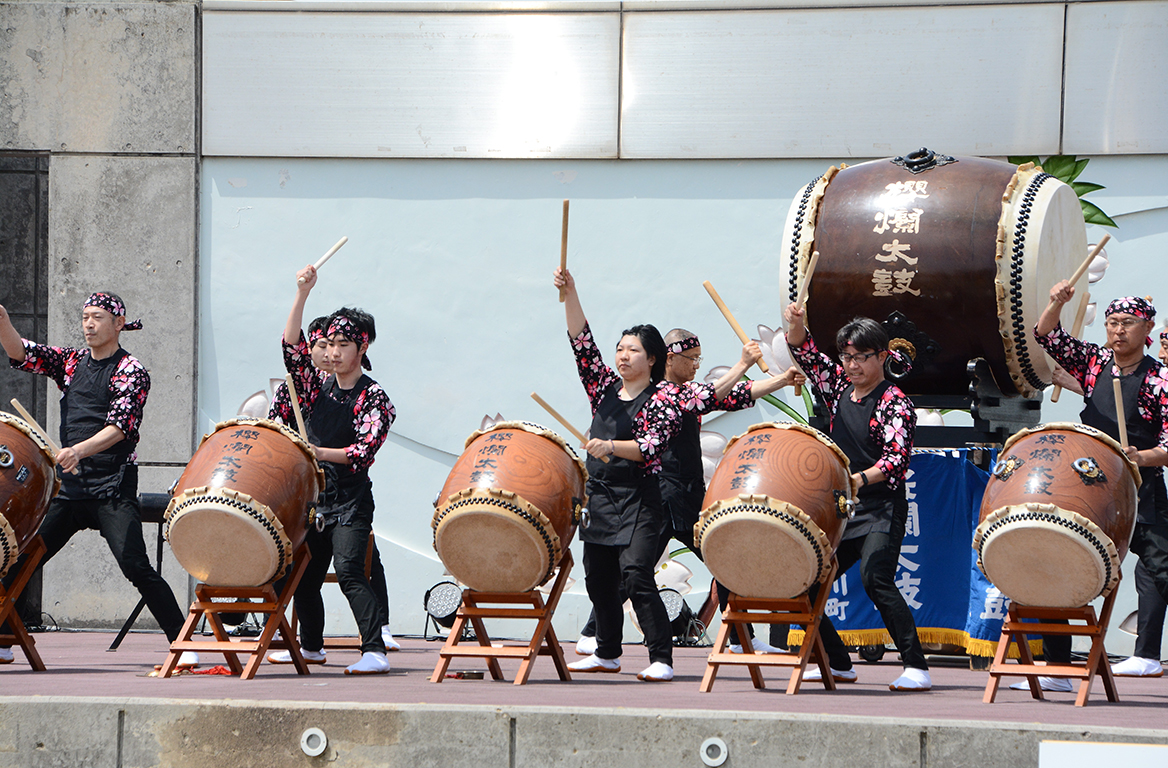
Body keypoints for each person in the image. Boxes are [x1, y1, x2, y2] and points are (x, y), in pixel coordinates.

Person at [575, 329, 804, 656]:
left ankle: (742, 638)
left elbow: (733, 394)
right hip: (660, 496)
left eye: (699, 358)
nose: (697, 364)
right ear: (668, 358)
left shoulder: (684, 392)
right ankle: (594, 632)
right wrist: (743, 363)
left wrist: (780, 380)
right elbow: (713, 394)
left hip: (689, 497)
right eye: (691, 358)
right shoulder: (662, 396)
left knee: (722, 561)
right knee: (633, 573)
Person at [0, 294, 193, 667]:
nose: (88, 324)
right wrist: (3, 320)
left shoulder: (132, 370)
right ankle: (6, 638)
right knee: (23, 558)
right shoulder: (72, 362)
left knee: (135, 565)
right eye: (85, 317)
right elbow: (22, 351)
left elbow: (121, 427)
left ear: (118, 323)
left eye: (97, 317)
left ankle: (183, 644)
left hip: (112, 487)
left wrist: (78, 451)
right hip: (70, 490)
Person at [784, 306, 930, 692]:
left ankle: (916, 665)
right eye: (846, 357)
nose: (851, 365)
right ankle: (838, 661)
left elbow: (895, 461)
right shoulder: (837, 388)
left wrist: (854, 480)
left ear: (882, 356)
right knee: (806, 582)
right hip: (844, 511)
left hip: (881, 507)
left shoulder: (894, 401)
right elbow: (808, 354)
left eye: (860, 357)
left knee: (874, 578)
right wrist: (796, 325)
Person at [1032, 291, 1168, 688]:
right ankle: (1057, 670)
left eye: (1128, 323)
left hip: (1141, 486)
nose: (1119, 329)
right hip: (1089, 484)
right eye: (1113, 322)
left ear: (1147, 330)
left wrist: (1140, 457)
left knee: (1160, 567)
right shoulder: (1095, 363)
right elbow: (1047, 335)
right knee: (1063, 563)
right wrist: (1055, 300)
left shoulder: (1160, 379)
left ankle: (1145, 655)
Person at [555, 267, 683, 682]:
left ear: (651, 359)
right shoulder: (603, 388)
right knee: (599, 579)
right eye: (620, 349)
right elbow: (582, 343)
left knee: (636, 574)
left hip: (641, 498)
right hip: (601, 497)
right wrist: (571, 292)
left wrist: (609, 447)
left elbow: (650, 446)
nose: (623, 356)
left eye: (633, 350)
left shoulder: (661, 398)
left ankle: (660, 656)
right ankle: (607, 652)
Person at [266, 265, 395, 675]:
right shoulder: (314, 386)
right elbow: (291, 349)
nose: (334, 352)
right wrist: (302, 293)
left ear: (363, 349)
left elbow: (362, 451)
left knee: (352, 570)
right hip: (317, 499)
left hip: (352, 499)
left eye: (344, 345)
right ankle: (312, 647)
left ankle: (374, 649)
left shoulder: (373, 397)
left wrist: (317, 452)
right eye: (331, 344)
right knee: (305, 575)